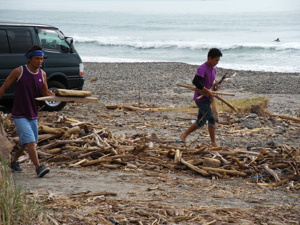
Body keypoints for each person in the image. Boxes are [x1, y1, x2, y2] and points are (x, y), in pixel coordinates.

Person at [0, 45, 55, 177]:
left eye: (41, 59)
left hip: (33, 114)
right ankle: (38, 168)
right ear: (29, 59)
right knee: (31, 142)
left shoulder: (42, 74)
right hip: (19, 114)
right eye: (37, 58)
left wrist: (64, 96)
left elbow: (45, 93)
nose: (40, 61)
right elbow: (4, 88)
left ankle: (13, 162)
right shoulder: (19, 71)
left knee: (26, 144)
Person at [178, 48, 222, 147]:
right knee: (211, 119)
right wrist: (206, 90)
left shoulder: (213, 69)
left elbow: (210, 84)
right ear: (209, 58)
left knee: (201, 121)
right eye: (215, 60)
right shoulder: (203, 68)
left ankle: (183, 135)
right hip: (201, 99)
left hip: (207, 98)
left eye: (218, 61)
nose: (216, 63)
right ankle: (214, 143)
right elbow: (195, 82)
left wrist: (215, 86)